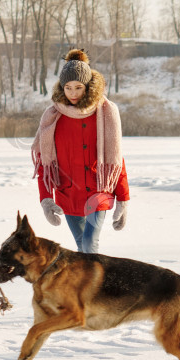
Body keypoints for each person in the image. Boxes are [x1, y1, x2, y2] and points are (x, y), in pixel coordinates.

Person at [32, 49, 129, 253]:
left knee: (88, 245)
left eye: (78, 87)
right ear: (62, 87)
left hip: (98, 191)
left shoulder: (105, 113)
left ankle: (96, 284)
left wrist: (123, 199)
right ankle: (93, 283)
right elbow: (44, 164)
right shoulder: (52, 118)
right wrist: (46, 199)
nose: (73, 93)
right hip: (69, 194)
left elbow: (116, 161)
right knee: (81, 248)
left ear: (88, 86)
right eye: (68, 87)